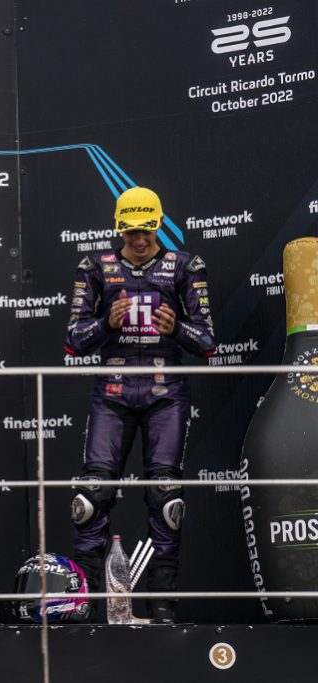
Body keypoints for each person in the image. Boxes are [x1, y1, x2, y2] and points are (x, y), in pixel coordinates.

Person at [63, 186, 215, 623]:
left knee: (167, 498)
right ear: (118, 228)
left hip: (166, 392)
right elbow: (72, 341)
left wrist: (177, 329)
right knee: (91, 496)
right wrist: (105, 323)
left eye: (147, 230)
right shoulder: (95, 266)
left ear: (159, 225)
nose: (140, 240)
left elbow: (207, 342)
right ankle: (84, 605)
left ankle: (162, 608)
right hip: (112, 388)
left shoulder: (185, 266)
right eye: (131, 232)